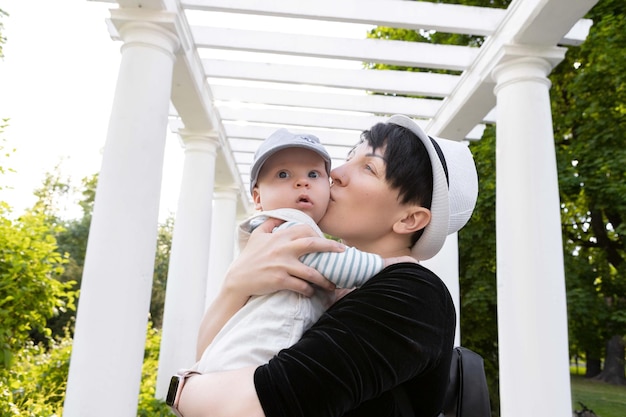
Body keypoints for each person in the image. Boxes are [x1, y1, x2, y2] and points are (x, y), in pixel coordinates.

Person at [171, 114, 479, 417]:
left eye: (368, 168)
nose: (337, 173)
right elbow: (215, 356)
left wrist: (181, 391)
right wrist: (235, 286)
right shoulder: (326, 283)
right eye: (348, 157)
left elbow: (256, 404)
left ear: (409, 219)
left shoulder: (414, 293)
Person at [195, 128, 409, 373]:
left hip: (239, 365)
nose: (302, 182)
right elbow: (339, 264)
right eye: (283, 174)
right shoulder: (289, 225)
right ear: (257, 198)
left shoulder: (268, 240)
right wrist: (389, 266)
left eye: (314, 174)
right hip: (250, 362)